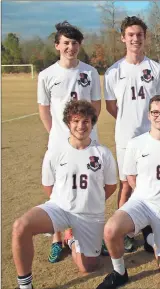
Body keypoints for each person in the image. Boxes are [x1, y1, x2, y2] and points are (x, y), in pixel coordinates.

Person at [12, 100, 117, 289]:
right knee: (20, 227)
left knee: (88, 267)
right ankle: (25, 285)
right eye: (75, 121)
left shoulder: (103, 153)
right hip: (59, 208)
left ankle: (70, 239)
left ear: (92, 123)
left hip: (89, 214)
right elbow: (48, 186)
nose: (80, 126)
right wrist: (66, 200)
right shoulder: (55, 152)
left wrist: (88, 200)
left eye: (86, 121)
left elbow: (110, 186)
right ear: (68, 123)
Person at [96, 95, 160, 289]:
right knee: (110, 230)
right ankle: (119, 272)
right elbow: (131, 177)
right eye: (156, 112)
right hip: (142, 202)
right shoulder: (136, 143)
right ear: (149, 115)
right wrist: (145, 193)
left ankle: (151, 237)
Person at [37, 21, 102, 263]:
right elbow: (44, 109)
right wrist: (56, 134)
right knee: (56, 188)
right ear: (57, 45)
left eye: (74, 43)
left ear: (79, 45)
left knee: (91, 185)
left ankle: (91, 231)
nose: (70, 47)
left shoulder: (90, 72)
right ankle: (57, 238)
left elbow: (96, 105)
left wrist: (87, 131)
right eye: (65, 43)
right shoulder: (47, 75)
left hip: (87, 138)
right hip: (59, 142)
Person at [104, 16, 160, 253]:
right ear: (123, 38)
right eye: (130, 35)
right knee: (126, 185)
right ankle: (124, 232)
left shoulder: (156, 69)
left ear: (144, 37)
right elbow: (112, 107)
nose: (135, 39)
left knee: (151, 183)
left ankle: (150, 227)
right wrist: (127, 122)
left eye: (139, 35)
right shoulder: (113, 72)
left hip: (153, 137)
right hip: (126, 138)